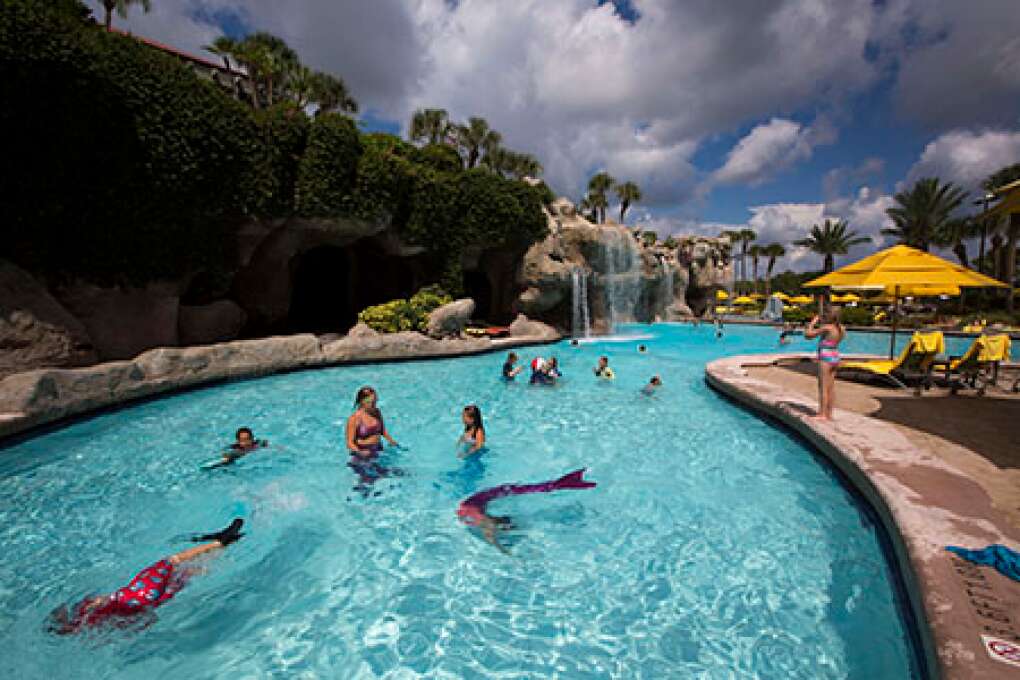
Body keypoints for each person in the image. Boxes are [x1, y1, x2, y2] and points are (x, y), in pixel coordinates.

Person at [47, 519, 244, 634]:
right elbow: (104, 599)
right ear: (64, 619)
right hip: (139, 591)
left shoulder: (91, 628)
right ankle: (220, 542)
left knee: (182, 576)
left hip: (148, 603)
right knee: (170, 561)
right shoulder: (85, 608)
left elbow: (144, 621)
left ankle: (221, 556)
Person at [457, 469, 597, 553]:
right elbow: (489, 532)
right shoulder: (479, 516)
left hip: (486, 496)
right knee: (528, 489)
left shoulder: (480, 519)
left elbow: (489, 534)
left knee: (534, 489)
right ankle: (563, 483)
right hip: (488, 495)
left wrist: (503, 551)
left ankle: (564, 483)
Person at [804, 306, 846, 420]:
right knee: (830, 387)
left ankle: (822, 414)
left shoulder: (827, 328)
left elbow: (808, 335)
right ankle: (829, 413)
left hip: (825, 358)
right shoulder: (841, 329)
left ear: (830, 316)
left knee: (822, 386)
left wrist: (812, 323)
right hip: (835, 357)